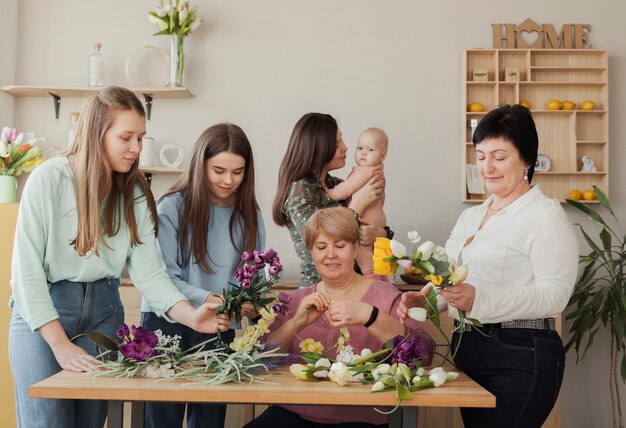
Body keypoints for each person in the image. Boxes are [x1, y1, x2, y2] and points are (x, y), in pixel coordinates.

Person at [7, 86, 230, 428]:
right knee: (46, 422)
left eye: (141, 137)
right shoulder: (47, 180)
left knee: (92, 423)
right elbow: (26, 274)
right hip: (44, 315)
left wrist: (191, 317)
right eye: (126, 137)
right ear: (97, 134)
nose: (136, 148)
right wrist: (59, 344)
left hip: (103, 312)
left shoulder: (134, 191)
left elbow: (150, 275)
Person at [398, 104, 578, 428]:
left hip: (521, 355)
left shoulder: (544, 215)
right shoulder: (471, 216)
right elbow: (449, 280)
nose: (487, 167)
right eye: (481, 156)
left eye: (499, 156)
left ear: (526, 160)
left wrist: (479, 300)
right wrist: (423, 303)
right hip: (469, 349)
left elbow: (555, 295)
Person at [246, 207, 435, 427]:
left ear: (355, 248)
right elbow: (256, 363)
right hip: (295, 413)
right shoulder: (295, 300)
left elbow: (424, 355)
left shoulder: (386, 296)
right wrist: (294, 323)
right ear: (310, 251)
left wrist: (371, 317)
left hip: (363, 418)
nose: (330, 255)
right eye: (321, 247)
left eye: (340, 245)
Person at [140, 123, 265, 428]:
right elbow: (162, 278)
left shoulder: (251, 215)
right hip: (166, 323)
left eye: (238, 172)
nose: (228, 180)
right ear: (200, 165)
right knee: (161, 420)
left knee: (209, 420)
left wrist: (249, 304)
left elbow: (253, 279)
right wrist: (211, 298)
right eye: (219, 170)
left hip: (218, 326)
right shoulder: (171, 208)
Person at [272, 113, 388, 287]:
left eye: (342, 140)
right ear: (317, 149)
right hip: (321, 291)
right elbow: (322, 240)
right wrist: (356, 205)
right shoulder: (300, 190)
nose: (346, 147)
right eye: (337, 144)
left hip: (356, 285)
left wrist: (379, 233)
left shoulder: (335, 185)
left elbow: (382, 231)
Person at [326, 127, 388, 279]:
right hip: (376, 219)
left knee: (362, 253)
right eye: (360, 148)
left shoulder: (365, 171)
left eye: (370, 149)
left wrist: (329, 193)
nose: (363, 153)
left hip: (366, 221)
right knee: (379, 259)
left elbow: (346, 189)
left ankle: (372, 280)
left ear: (383, 155)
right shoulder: (378, 171)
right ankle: (383, 281)